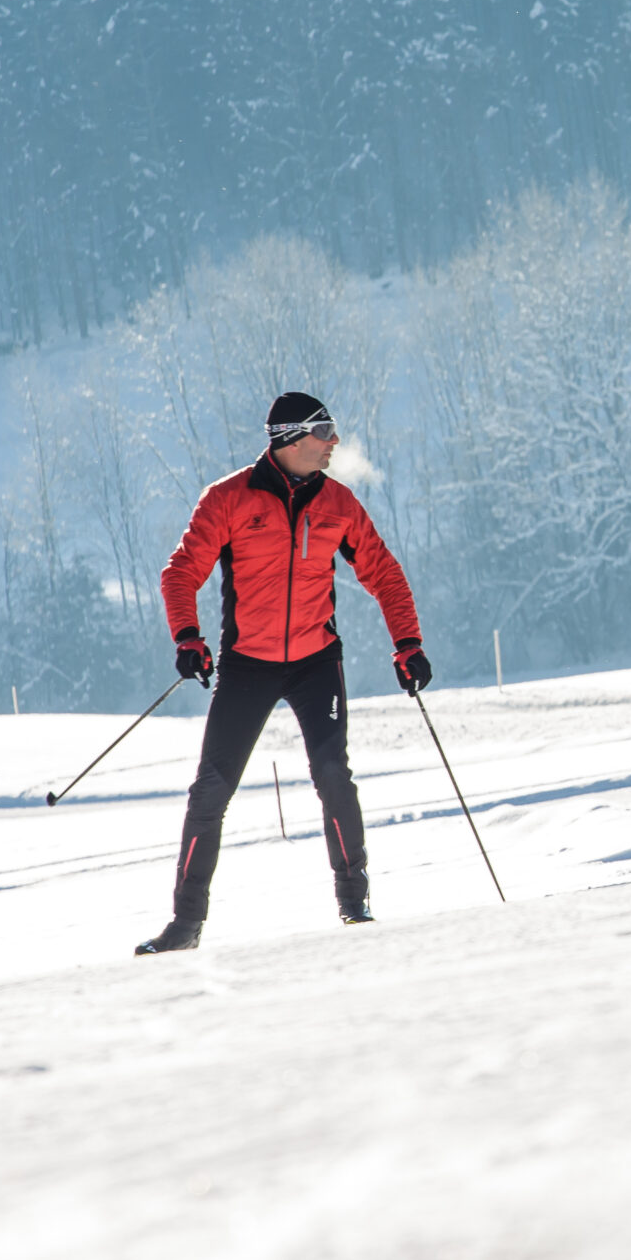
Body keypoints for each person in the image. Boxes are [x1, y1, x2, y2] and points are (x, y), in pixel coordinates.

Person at [136, 393, 431, 954]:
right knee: (209, 792)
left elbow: (385, 575)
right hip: (249, 664)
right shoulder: (227, 500)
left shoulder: (339, 504)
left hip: (316, 662)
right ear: (292, 439)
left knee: (332, 776)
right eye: (326, 433)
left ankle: (355, 905)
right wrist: (188, 638)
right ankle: (185, 926)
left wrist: (408, 644)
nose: (335, 444)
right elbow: (180, 574)